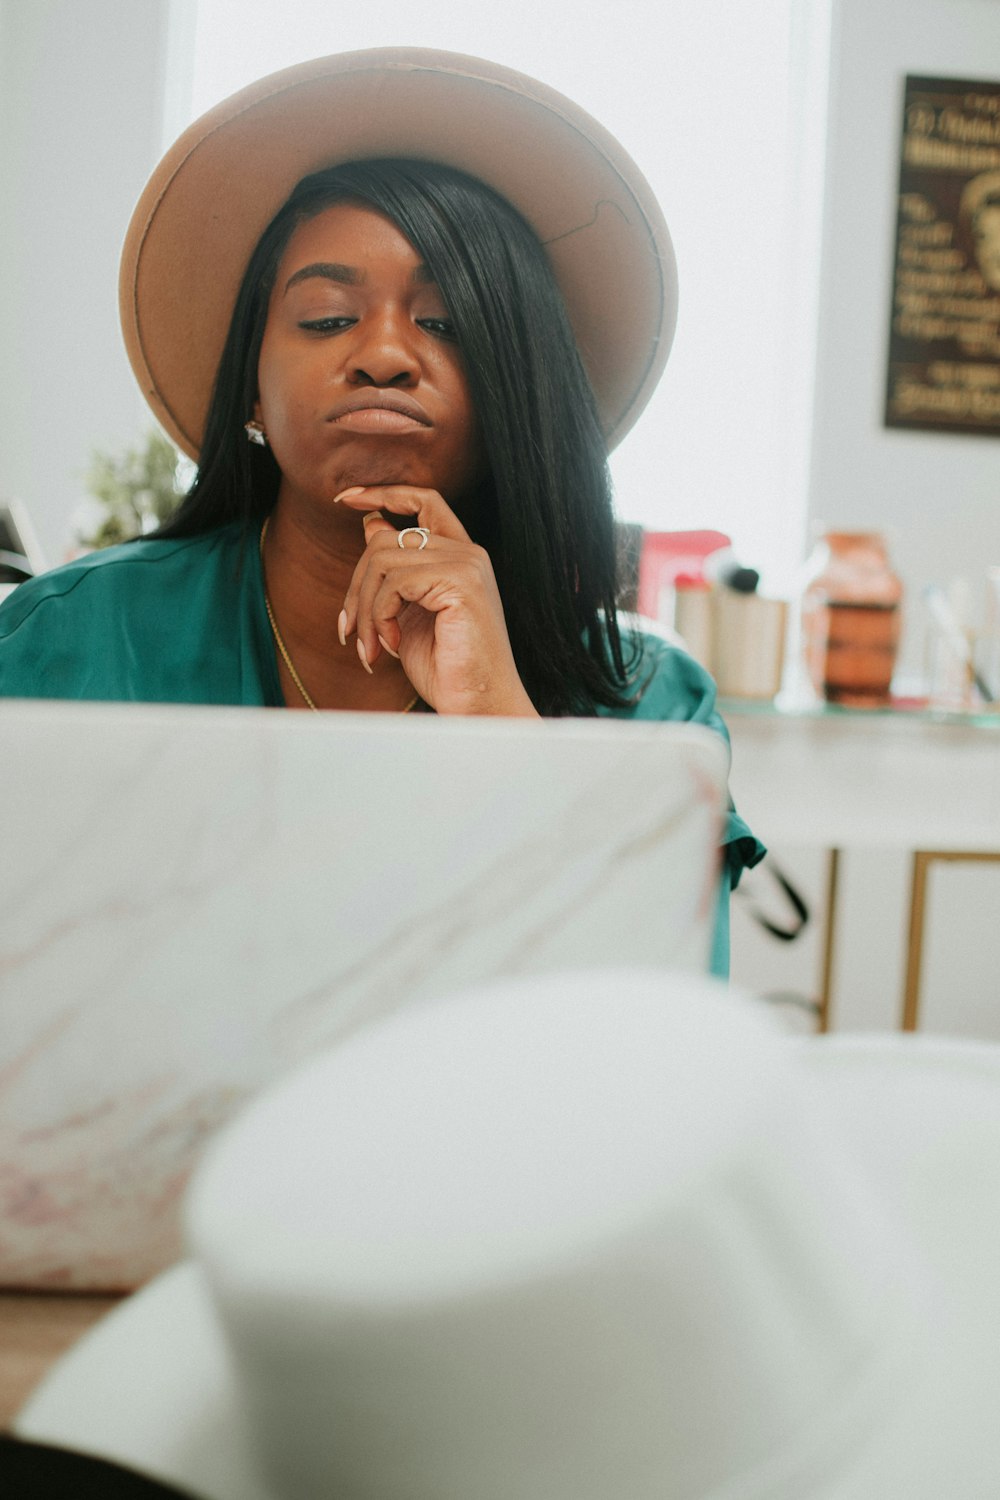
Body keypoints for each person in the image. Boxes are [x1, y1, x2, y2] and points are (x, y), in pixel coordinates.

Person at [0, 48, 763, 970]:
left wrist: (501, 723)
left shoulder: (650, 706)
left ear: (517, 394)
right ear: (249, 386)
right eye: (326, 318)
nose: (385, 356)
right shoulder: (65, 642)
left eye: (445, 324)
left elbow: (665, 1046)